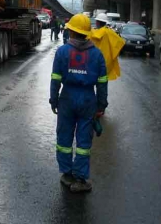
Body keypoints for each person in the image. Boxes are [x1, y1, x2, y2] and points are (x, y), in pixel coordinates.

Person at [50, 14, 107, 193]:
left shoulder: (62, 52)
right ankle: (81, 179)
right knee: (83, 141)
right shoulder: (97, 54)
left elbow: (55, 79)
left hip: (67, 98)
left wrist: (54, 99)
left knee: (64, 138)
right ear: (86, 33)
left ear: (72, 31)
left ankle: (67, 174)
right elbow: (102, 82)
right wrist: (101, 105)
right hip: (87, 99)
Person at [89, 13, 125, 84]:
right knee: (102, 88)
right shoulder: (110, 32)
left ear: (97, 22)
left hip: (94, 63)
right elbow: (120, 42)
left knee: (90, 86)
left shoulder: (95, 33)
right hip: (106, 64)